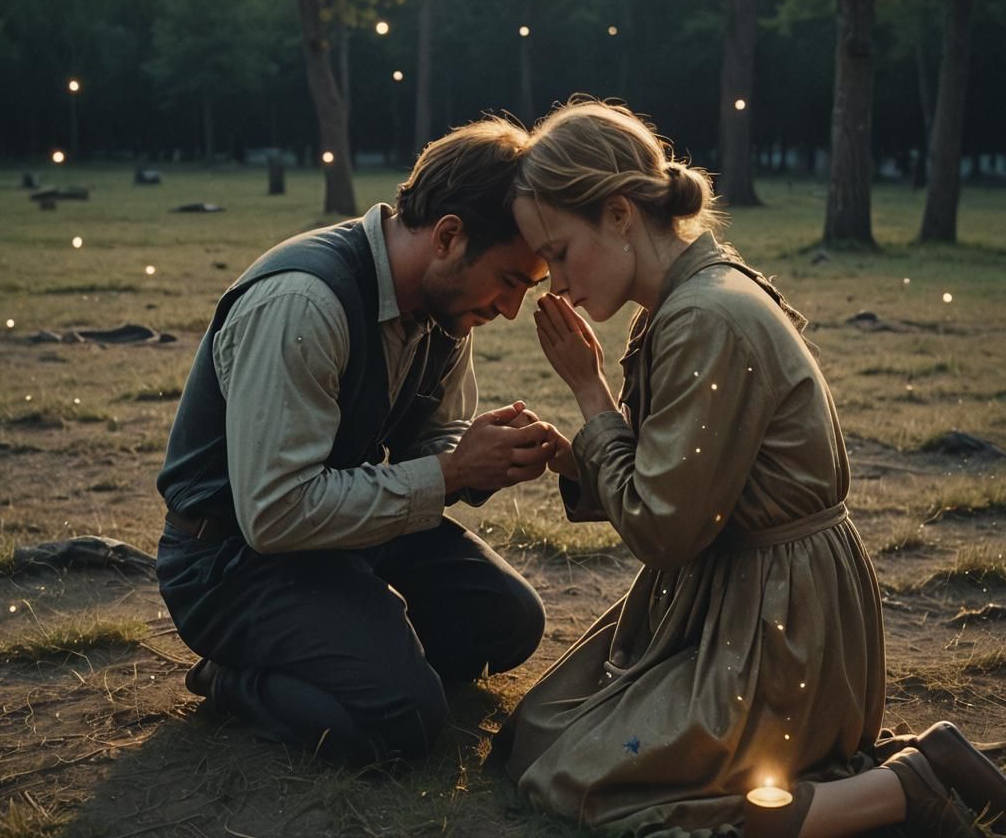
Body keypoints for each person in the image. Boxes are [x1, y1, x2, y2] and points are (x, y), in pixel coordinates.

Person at [494, 99, 1006, 837]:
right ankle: (921, 767)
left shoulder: (707, 317)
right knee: (540, 732)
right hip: (743, 600)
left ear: (617, 215)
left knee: (583, 785)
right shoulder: (684, 300)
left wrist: (589, 394)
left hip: (780, 623)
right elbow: (690, 485)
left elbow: (666, 528)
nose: (558, 286)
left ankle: (903, 790)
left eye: (562, 254)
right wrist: (578, 458)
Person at [156, 119, 555, 765]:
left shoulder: (444, 307)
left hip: (339, 537)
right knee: (401, 721)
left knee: (508, 623)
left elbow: (438, 434)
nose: (511, 309)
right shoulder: (303, 304)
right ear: (450, 237)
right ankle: (233, 679)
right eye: (509, 280)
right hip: (230, 563)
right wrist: (449, 474)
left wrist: (484, 456)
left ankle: (357, 641)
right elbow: (276, 512)